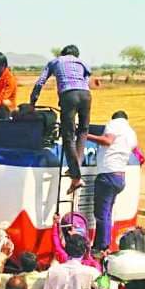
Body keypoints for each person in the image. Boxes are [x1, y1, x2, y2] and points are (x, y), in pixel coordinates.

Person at [30, 46, 92, 194]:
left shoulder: (55, 61)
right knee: (83, 131)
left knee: (68, 136)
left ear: (62, 53)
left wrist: (32, 101)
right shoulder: (82, 63)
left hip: (68, 95)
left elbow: (40, 82)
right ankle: (75, 167)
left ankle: (76, 177)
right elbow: (85, 81)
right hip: (86, 95)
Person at [86, 110, 138, 251]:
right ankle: (105, 243)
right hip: (120, 177)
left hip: (107, 174)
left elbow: (107, 141)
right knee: (108, 213)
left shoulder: (114, 124)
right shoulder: (131, 133)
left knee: (101, 214)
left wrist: (85, 135)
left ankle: (100, 246)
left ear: (114, 118)